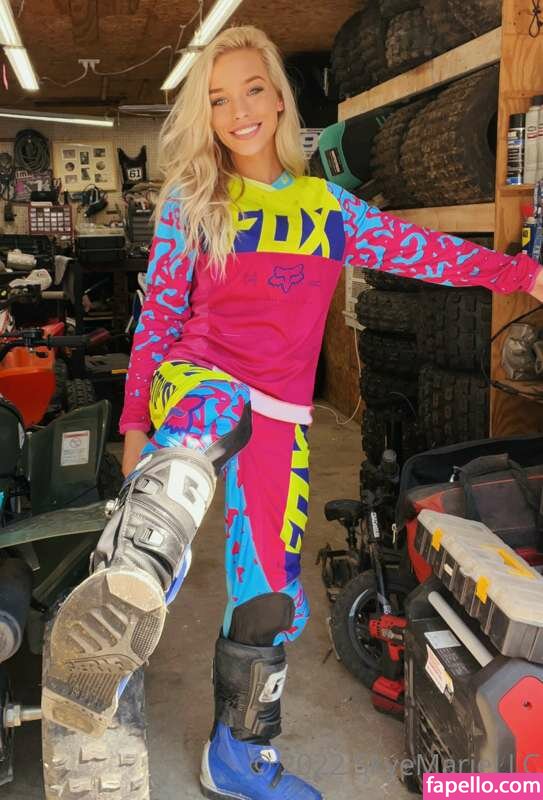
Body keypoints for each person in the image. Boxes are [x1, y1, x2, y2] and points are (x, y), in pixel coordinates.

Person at [43, 24, 543, 800]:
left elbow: (427, 252)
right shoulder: (192, 202)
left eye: (252, 90)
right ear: (206, 116)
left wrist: (521, 274)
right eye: (218, 99)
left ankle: (236, 755)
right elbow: (158, 322)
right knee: (217, 404)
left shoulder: (327, 208)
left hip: (278, 414)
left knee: (270, 597)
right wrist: (136, 426)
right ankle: (134, 572)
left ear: (279, 99)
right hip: (196, 386)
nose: (238, 111)